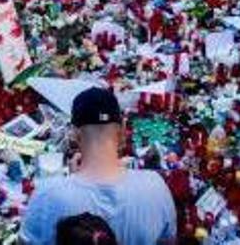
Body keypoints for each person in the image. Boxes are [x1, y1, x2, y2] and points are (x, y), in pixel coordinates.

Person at [21, 87, 176, 244]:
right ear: (122, 131)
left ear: (74, 134)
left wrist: (69, 183)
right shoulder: (155, 186)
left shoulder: (47, 195)